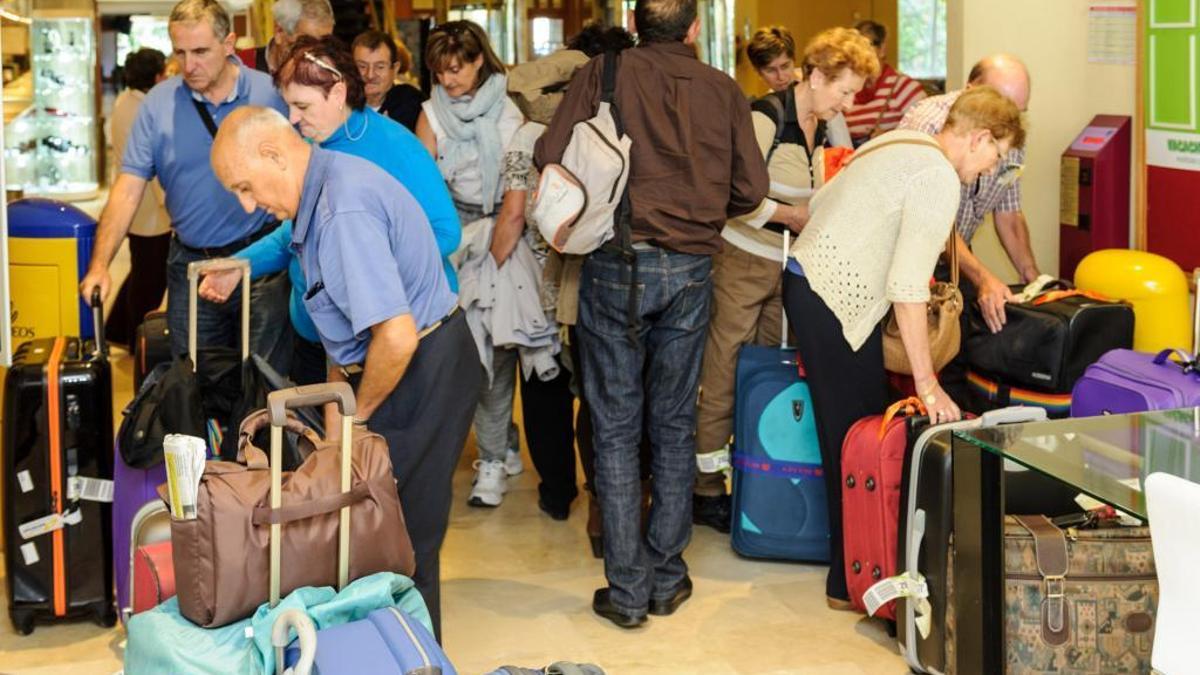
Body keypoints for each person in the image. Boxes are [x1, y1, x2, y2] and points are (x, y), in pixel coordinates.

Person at [536, 0, 769, 628]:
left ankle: (628, 588)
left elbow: (549, 155)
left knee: (613, 425)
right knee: (673, 421)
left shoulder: (604, 73)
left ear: (637, 24)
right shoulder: (724, 90)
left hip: (614, 263)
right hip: (692, 270)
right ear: (694, 28)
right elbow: (751, 190)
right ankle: (667, 575)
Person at [211, 105, 478, 642]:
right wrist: (339, 423)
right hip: (395, 363)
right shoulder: (319, 195)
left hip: (423, 367)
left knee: (398, 542)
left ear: (273, 154)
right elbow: (346, 326)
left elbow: (395, 337)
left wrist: (358, 420)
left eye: (245, 186)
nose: (247, 205)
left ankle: (416, 657)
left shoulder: (341, 211)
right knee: (370, 530)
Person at [783, 86, 1025, 608]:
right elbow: (909, 288)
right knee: (855, 437)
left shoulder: (897, 142)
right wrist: (928, 384)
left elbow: (823, 200)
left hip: (808, 283)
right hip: (834, 300)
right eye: (995, 156)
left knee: (851, 431)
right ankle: (854, 582)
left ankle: (854, 575)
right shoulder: (938, 177)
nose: (989, 170)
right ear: (979, 136)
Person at [692, 27, 879, 533]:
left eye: (855, 93)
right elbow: (729, 191)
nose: (848, 102)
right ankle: (705, 485)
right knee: (725, 367)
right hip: (743, 260)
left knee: (769, 371)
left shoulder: (822, 123)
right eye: (843, 90)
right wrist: (788, 215)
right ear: (814, 76)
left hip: (789, 266)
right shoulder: (765, 116)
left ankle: (758, 472)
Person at [198, 36, 459, 387]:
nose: (292, 118)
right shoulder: (310, 145)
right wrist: (240, 265)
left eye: (302, 107)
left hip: (389, 337)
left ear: (337, 94)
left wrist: (364, 272)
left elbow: (446, 232)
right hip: (319, 338)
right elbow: (296, 234)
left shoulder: (397, 146)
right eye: (288, 106)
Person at [79, 0, 291, 373]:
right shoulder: (158, 104)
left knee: (264, 382)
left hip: (261, 262)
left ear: (229, 43)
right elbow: (129, 188)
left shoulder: (270, 95)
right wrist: (100, 265)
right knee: (192, 382)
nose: (187, 65)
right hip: (192, 264)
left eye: (200, 51)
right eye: (179, 52)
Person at [509, 21, 647, 551]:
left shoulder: (629, 109)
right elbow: (520, 83)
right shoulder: (572, 113)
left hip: (628, 264)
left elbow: (519, 84)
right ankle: (605, 512)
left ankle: (626, 506)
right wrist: (584, 67)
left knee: (614, 398)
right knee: (600, 396)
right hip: (589, 271)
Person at [415, 21, 532, 508]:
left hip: (501, 234)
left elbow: (514, 201)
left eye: (456, 69)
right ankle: (501, 438)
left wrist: (492, 261)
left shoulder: (510, 115)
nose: (447, 80)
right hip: (448, 240)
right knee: (464, 354)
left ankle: (489, 464)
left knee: (494, 354)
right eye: (439, 72)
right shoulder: (429, 114)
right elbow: (424, 190)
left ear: (479, 60)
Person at [898, 53, 1041, 402]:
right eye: (1004, 105)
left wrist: (1035, 281)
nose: (1011, 117)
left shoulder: (1007, 131)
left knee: (958, 358)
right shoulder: (932, 124)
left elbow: (1008, 213)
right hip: (915, 249)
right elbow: (932, 220)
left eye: (1019, 111)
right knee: (915, 364)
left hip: (958, 253)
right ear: (973, 90)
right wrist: (984, 278)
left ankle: (953, 434)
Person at [105, 48, 170, 347]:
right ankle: (137, 339)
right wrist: (169, 204)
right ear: (157, 76)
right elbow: (153, 165)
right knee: (149, 279)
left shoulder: (123, 102)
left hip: (134, 206)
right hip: (150, 210)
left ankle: (117, 329)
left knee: (141, 270)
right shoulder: (146, 110)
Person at [745, 25, 853, 147]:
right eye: (771, 70)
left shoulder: (819, 90)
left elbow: (844, 147)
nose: (781, 77)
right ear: (758, 72)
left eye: (785, 66)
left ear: (794, 60)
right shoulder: (769, 108)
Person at [843, 20, 927, 146]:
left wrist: (890, 135)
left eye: (867, 45)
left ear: (882, 48)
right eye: (853, 49)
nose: (859, 53)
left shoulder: (904, 87)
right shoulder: (844, 89)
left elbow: (925, 131)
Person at [353, 30, 424, 132]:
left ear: (395, 69)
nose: (370, 75)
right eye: (362, 66)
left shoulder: (412, 105)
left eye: (380, 67)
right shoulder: (341, 104)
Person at [239, 0, 334, 74]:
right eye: (306, 42)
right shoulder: (240, 66)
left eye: (325, 43)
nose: (315, 55)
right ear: (279, 32)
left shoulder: (329, 73)